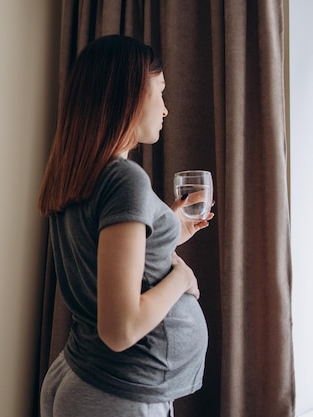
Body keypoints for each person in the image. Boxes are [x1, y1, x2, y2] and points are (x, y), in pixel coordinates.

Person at [38, 35, 213, 417]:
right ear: (129, 95)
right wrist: (181, 280)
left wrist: (168, 229)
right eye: (160, 93)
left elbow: (102, 259)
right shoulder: (124, 179)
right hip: (118, 392)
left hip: (87, 376)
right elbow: (121, 329)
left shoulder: (78, 171)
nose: (166, 110)